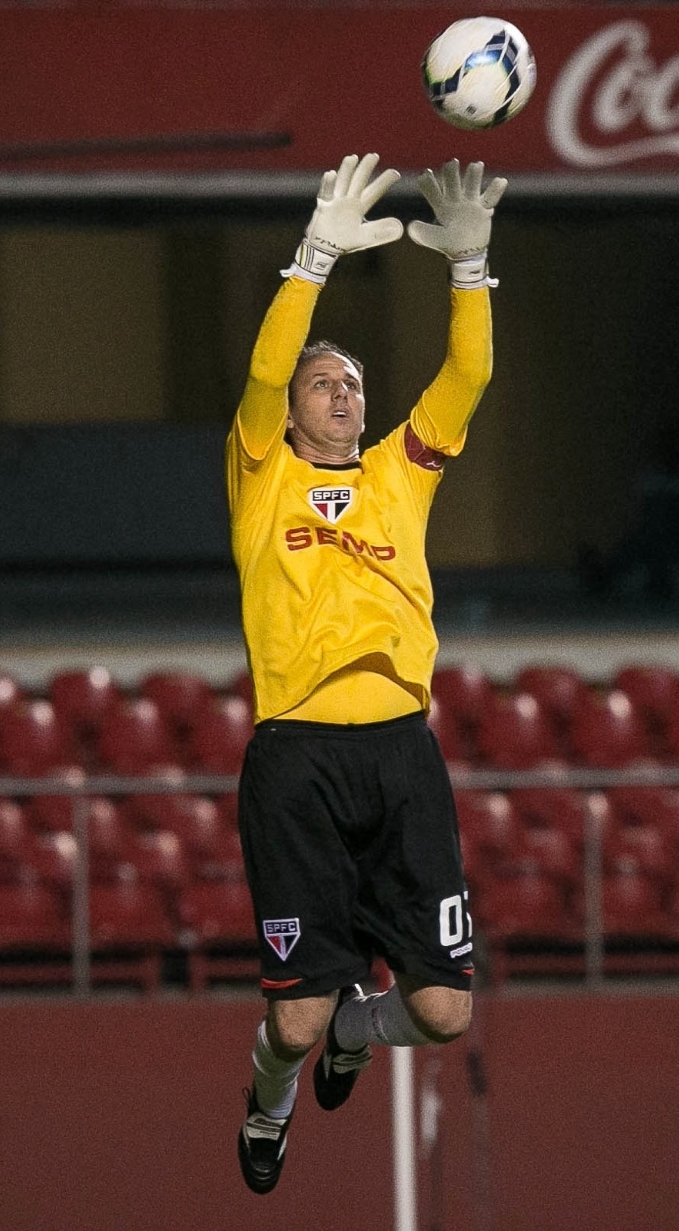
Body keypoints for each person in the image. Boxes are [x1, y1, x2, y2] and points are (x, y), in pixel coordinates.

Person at [226, 153, 504, 1194]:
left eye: (353, 383)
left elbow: (466, 379)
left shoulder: (399, 475)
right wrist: (317, 255)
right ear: (293, 412)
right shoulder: (262, 474)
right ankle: (270, 1098)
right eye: (324, 384)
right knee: (288, 1020)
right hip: (295, 757)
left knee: (441, 1011)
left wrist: (469, 264)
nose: (343, 394)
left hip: (399, 753)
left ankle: (358, 1028)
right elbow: (261, 372)